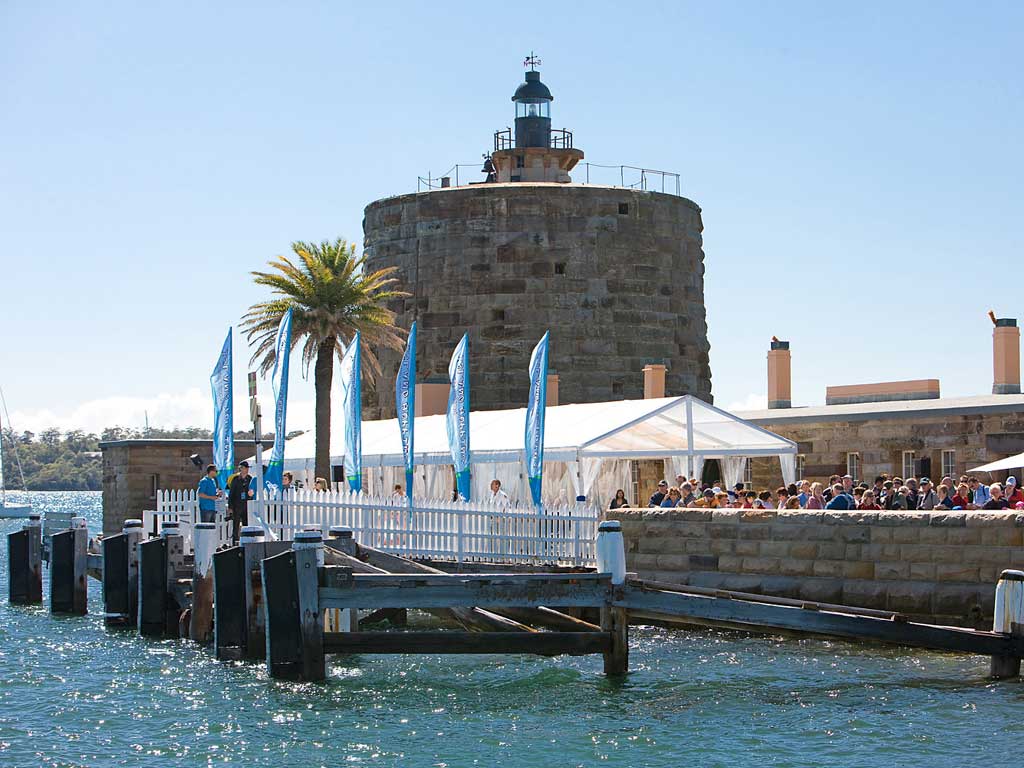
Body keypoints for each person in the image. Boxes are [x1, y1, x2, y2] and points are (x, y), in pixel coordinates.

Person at [227, 461, 255, 544]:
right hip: (237, 505)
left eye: (247, 468)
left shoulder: (250, 479)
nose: (246, 469)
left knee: (246, 524)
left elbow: (253, 491)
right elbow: (231, 493)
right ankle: (235, 542)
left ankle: (246, 541)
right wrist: (230, 507)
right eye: (244, 468)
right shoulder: (235, 479)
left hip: (247, 505)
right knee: (236, 525)